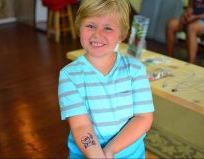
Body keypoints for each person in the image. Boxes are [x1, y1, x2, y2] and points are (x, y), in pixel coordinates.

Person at [58, 0, 155, 158]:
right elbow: (81, 125)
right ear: (79, 27)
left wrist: (110, 150)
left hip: (131, 155)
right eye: (90, 26)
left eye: (108, 28)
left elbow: (143, 118)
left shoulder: (136, 70)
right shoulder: (69, 75)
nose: (97, 34)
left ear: (121, 35)